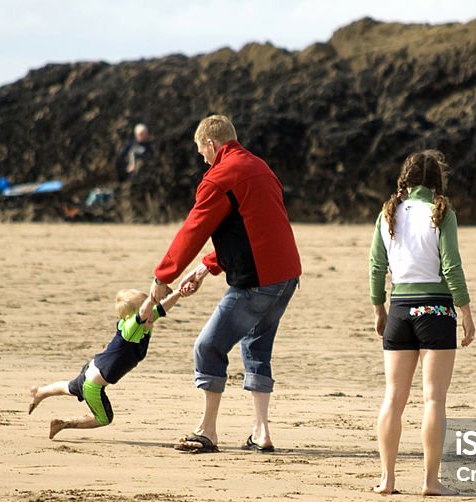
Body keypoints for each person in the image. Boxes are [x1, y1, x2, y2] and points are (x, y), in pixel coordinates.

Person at [144, 114, 301, 454]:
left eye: (201, 151)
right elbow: (253, 227)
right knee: (256, 348)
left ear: (212, 145)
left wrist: (162, 277)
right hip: (287, 276)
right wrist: (205, 268)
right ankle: (261, 433)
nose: (202, 158)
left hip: (258, 282)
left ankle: (207, 431)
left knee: (207, 347)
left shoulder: (219, 177)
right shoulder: (259, 167)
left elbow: (193, 230)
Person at [369, 150, 475, 496]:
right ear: (437, 182)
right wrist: (466, 312)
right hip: (437, 311)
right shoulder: (442, 213)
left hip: (400, 309)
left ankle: (387, 479)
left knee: (393, 397)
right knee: (433, 400)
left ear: (406, 179)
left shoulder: (388, 214)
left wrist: (378, 309)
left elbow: (376, 267)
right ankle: (431, 481)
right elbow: (451, 267)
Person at [29, 287, 181, 439]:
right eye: (148, 308)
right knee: (104, 419)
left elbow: (162, 307)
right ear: (131, 316)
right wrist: (153, 297)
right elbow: (143, 313)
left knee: (69, 387)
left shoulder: (143, 320)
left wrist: (180, 291)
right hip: (93, 385)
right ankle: (63, 423)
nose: (151, 313)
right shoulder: (131, 329)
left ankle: (41, 392)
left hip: (93, 368)